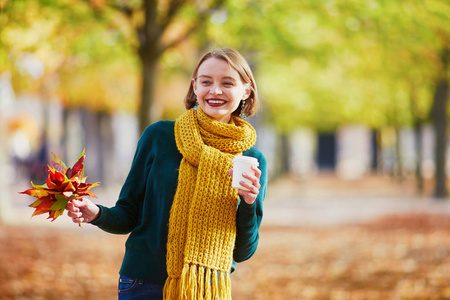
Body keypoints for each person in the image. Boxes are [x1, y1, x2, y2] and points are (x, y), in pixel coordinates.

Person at [66, 47, 267, 300]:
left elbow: (243, 251)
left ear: (246, 90)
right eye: (206, 82)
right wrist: (95, 213)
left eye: (227, 83)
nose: (215, 91)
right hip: (143, 284)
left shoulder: (251, 159)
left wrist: (248, 203)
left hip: (205, 289)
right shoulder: (159, 136)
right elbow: (128, 213)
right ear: (195, 87)